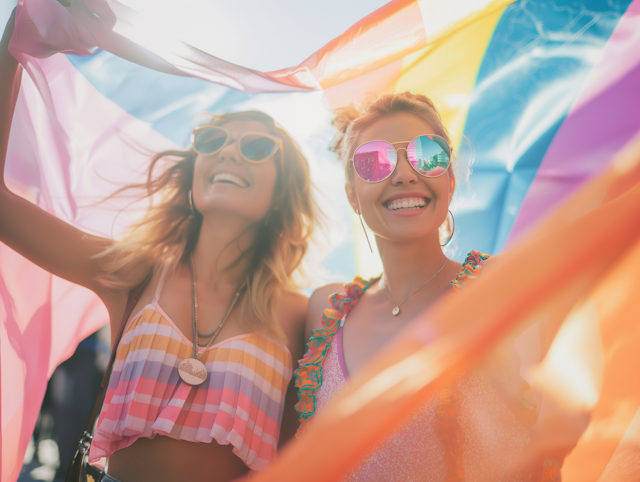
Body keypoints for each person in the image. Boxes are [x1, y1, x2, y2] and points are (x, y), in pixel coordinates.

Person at [1, 12, 317, 482]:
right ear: (193, 177)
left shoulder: (300, 315)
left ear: (281, 193)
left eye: (255, 148)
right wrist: (14, 41)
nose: (229, 152)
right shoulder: (135, 271)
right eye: (211, 141)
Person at [296, 93, 540, 481]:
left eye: (427, 155)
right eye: (373, 163)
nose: (405, 174)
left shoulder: (501, 284)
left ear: (450, 180)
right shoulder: (326, 311)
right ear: (351, 196)